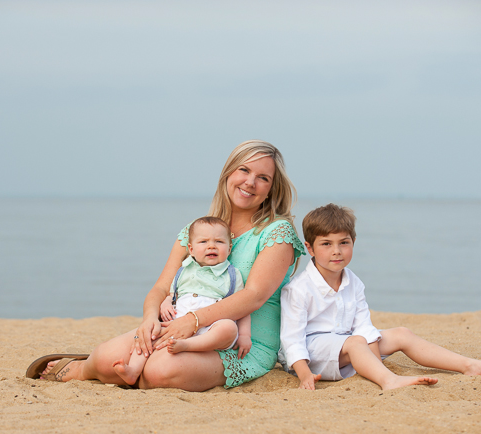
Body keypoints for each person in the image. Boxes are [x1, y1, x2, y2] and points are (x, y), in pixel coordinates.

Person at [26, 140, 306, 391]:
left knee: (158, 371)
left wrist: (192, 321)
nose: (250, 182)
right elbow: (161, 287)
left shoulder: (276, 232)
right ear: (228, 174)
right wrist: (149, 319)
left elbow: (253, 295)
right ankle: (83, 368)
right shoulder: (198, 231)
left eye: (263, 178)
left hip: (240, 343)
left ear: (271, 189)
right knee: (104, 358)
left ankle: (128, 373)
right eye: (244, 170)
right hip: (178, 327)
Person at [279, 203, 481, 391]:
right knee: (356, 342)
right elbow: (292, 339)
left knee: (401, 334)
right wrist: (304, 374)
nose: (336, 251)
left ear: (354, 242)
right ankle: (389, 380)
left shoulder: (353, 282)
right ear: (310, 248)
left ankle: (469, 365)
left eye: (344, 242)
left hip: (349, 344)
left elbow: (363, 326)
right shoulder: (299, 288)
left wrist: (373, 358)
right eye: (326, 244)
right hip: (312, 356)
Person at [111, 216, 252, 385]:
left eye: (219, 242)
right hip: (178, 323)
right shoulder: (184, 270)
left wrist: (244, 335)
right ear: (191, 249)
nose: (211, 246)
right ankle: (133, 369)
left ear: (229, 249)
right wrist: (164, 305)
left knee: (228, 328)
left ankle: (188, 346)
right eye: (204, 242)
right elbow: (171, 295)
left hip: (210, 326)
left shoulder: (232, 275)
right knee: (151, 333)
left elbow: (242, 308)